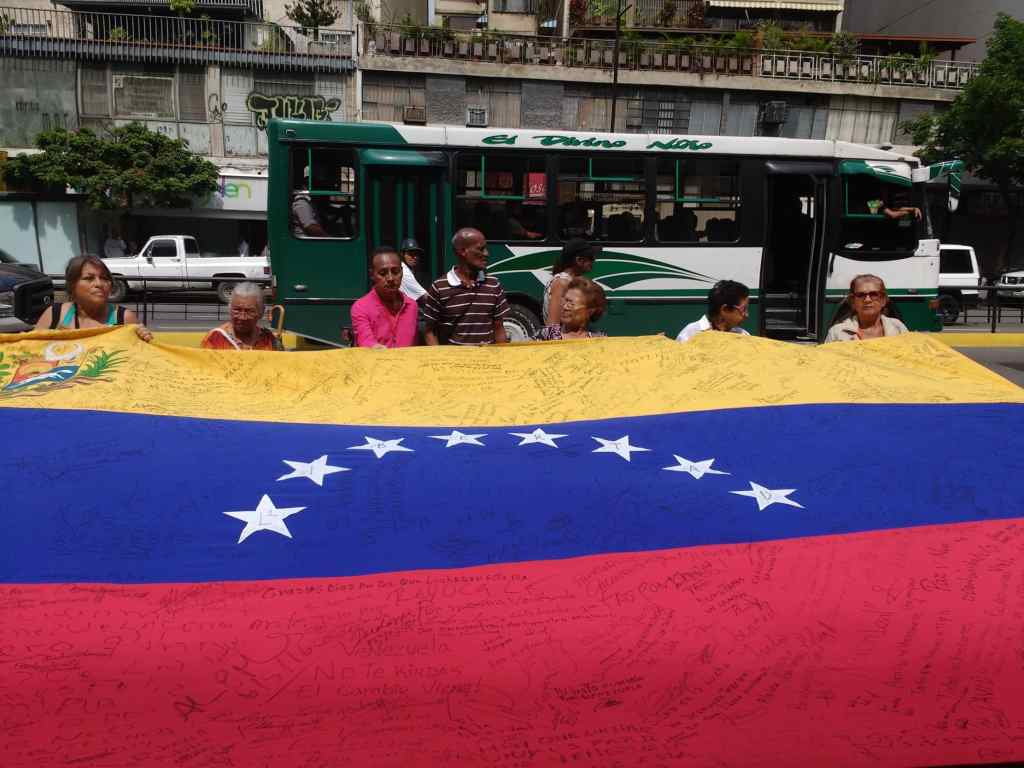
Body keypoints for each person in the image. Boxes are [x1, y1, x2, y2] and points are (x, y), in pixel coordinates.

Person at [422, 228, 509, 346]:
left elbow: (499, 327)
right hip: (453, 363)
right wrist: (440, 360)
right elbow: (429, 331)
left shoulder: (493, 284)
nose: (486, 253)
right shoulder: (439, 287)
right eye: (481, 249)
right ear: (462, 251)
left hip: (488, 362)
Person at [36, 255, 152, 341]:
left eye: (104, 278)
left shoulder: (124, 318)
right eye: (89, 278)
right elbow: (30, 350)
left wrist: (144, 338)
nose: (99, 284)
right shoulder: (54, 314)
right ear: (72, 284)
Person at [350, 246, 418, 349]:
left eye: (395, 272)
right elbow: (366, 341)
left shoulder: (412, 306)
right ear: (372, 275)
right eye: (383, 273)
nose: (390, 278)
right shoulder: (360, 308)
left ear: (402, 272)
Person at [825, 274, 908, 342]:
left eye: (874, 294)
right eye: (861, 295)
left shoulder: (898, 327)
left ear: (883, 300)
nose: (867, 300)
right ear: (852, 301)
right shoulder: (837, 332)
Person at [201, 281, 282, 350]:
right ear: (230, 309)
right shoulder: (216, 338)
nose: (242, 317)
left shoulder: (268, 340)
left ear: (261, 312)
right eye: (237, 310)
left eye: (249, 311)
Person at [543, 238, 600, 326]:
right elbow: (552, 324)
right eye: (591, 258)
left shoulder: (571, 280)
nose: (594, 261)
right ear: (579, 261)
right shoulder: (562, 283)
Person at [675, 280, 751, 342]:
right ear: (725, 309)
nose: (747, 315)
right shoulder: (690, 334)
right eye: (743, 309)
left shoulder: (742, 335)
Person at [534, 276, 607, 341]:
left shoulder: (599, 340)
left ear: (590, 311)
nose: (565, 307)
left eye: (571, 304)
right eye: (565, 300)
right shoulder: (546, 336)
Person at [291, 167, 326, 238]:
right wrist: (329, 238)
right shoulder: (302, 202)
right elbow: (311, 227)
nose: (319, 189)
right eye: (316, 185)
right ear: (306, 185)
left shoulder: (311, 201)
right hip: (303, 241)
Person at [398, 237, 427, 302]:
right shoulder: (404, 271)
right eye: (411, 254)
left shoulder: (411, 269)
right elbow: (425, 296)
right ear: (402, 254)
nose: (415, 257)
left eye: (416, 253)